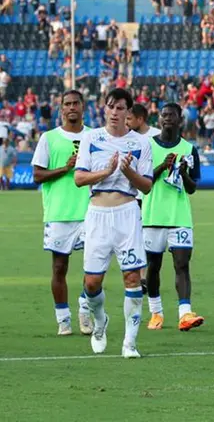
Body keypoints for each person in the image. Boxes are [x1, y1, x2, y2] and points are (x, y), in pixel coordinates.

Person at [74, 88, 153, 358]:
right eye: (111, 107)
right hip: (97, 214)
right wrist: (106, 172)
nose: (115, 112)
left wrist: (128, 171)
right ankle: (100, 322)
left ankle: (130, 343)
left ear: (128, 112)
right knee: (92, 283)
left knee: (132, 277)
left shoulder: (141, 143)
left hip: (127, 212)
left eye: (121, 108)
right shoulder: (91, 138)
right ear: (104, 109)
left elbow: (147, 185)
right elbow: (79, 179)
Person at [31, 90, 91, 336]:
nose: (71, 107)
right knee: (59, 267)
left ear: (83, 107)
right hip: (59, 213)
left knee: (94, 267)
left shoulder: (94, 136)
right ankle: (63, 318)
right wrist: (65, 169)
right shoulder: (49, 138)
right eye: (67, 104)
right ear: (61, 109)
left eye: (76, 103)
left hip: (91, 212)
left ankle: (85, 310)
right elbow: (37, 175)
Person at [142, 102, 204, 332]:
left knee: (182, 265)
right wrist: (162, 166)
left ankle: (185, 313)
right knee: (153, 266)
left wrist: (184, 173)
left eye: (171, 115)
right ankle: (156, 312)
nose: (167, 118)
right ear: (159, 120)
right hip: (152, 215)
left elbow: (191, 188)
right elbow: (142, 178)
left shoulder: (190, 149)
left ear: (180, 120)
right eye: (163, 115)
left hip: (179, 216)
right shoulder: (147, 146)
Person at [126, 103, 161, 294]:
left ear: (140, 119)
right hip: (133, 196)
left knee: (147, 238)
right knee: (135, 237)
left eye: (129, 119)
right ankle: (140, 277)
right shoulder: (126, 137)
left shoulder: (156, 136)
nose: (126, 122)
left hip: (151, 195)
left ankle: (145, 276)